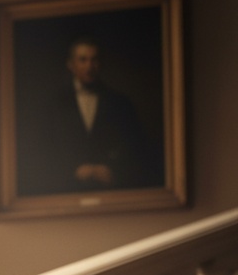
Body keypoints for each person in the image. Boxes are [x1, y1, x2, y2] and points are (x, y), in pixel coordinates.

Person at [19, 36, 161, 196]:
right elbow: (43, 150)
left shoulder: (120, 103)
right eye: (83, 60)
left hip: (113, 193)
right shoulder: (54, 105)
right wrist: (74, 171)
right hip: (66, 193)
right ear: (71, 64)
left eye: (94, 60)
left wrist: (111, 169)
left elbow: (135, 147)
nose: (89, 66)